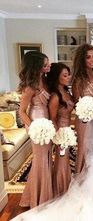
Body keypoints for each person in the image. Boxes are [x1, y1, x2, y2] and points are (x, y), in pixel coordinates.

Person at [11, 47, 93, 221]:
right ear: (83, 59)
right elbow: (77, 102)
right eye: (91, 57)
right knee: (87, 152)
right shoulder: (85, 79)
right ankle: (71, 189)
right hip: (89, 119)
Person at [17, 51, 52, 208]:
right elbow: (21, 111)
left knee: (46, 157)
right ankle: (38, 198)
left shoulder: (44, 80)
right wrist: (33, 127)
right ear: (37, 67)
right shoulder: (30, 87)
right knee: (40, 160)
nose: (49, 65)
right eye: (45, 64)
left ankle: (43, 193)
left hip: (46, 122)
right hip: (36, 123)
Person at [46, 62, 74, 197]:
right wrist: (58, 137)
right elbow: (52, 118)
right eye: (65, 75)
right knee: (61, 160)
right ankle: (60, 191)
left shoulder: (66, 91)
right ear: (57, 77)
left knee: (65, 160)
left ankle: (65, 186)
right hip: (61, 133)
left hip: (68, 130)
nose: (68, 77)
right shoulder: (55, 96)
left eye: (68, 74)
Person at [72, 43, 93, 173]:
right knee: (83, 147)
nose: (92, 59)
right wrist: (87, 111)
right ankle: (80, 177)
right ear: (82, 59)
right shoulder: (78, 79)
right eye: (88, 57)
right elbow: (78, 103)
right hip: (84, 119)